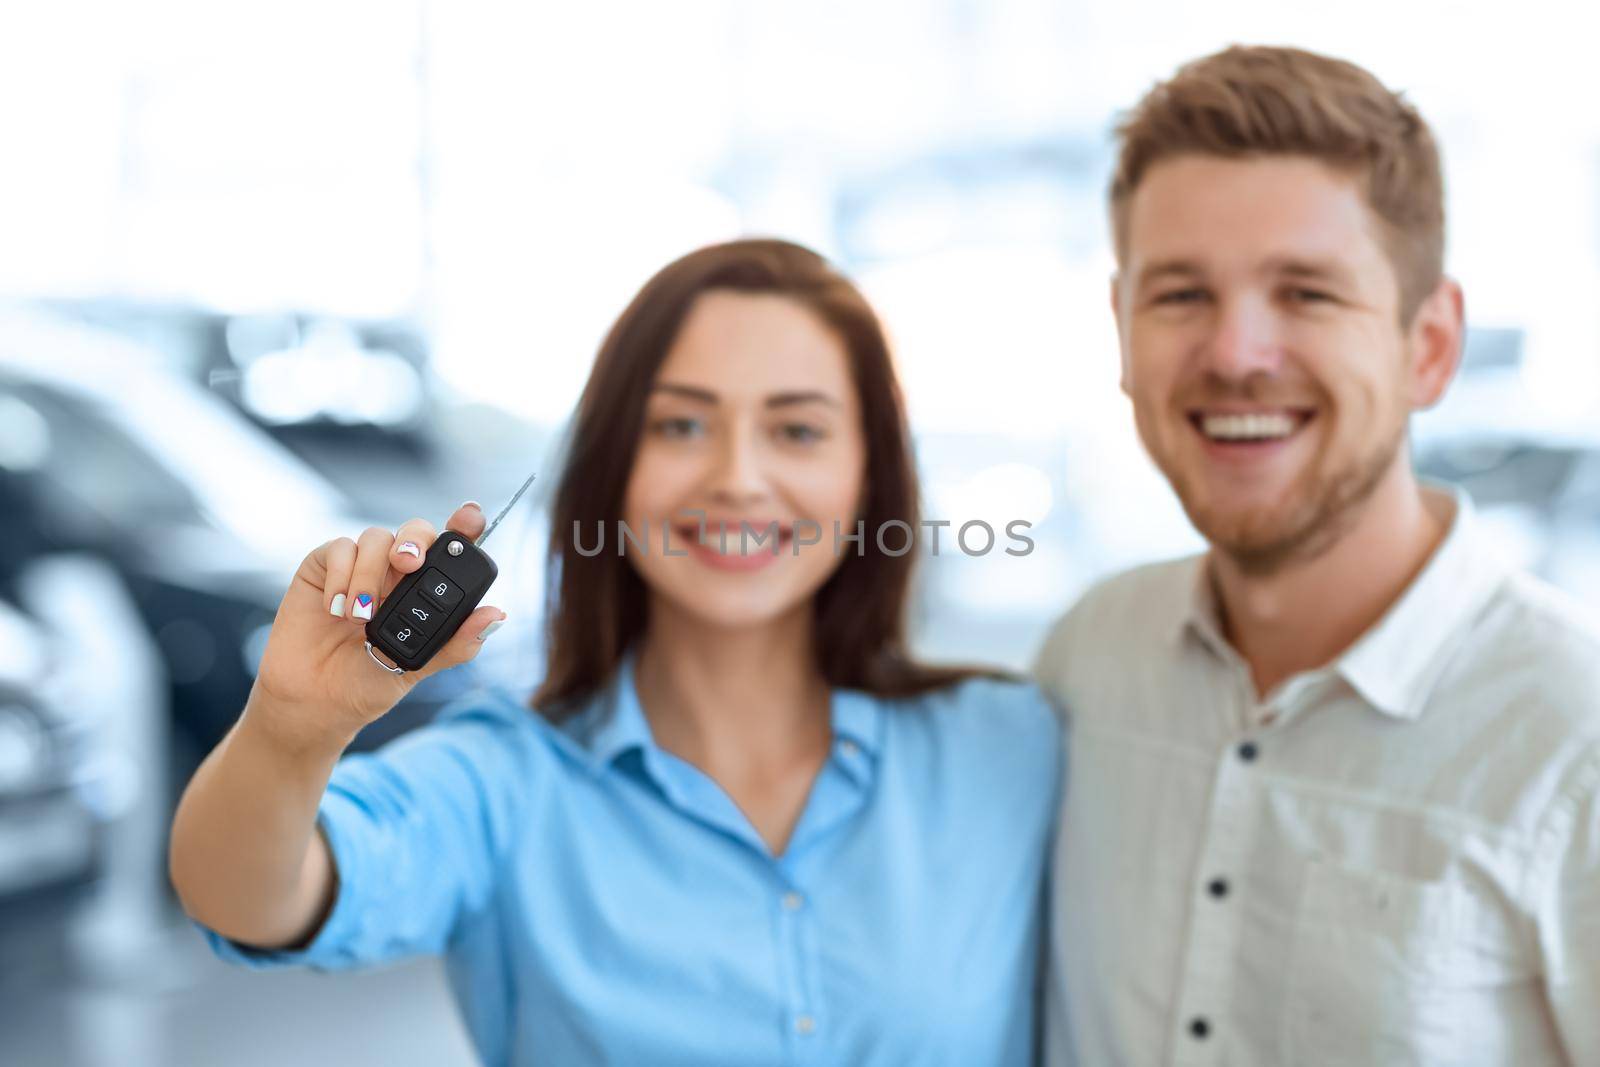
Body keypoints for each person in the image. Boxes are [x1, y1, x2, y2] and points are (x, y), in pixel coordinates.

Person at [169, 238, 1061, 1066]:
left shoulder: (1011, 746)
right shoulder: (505, 780)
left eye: (797, 430)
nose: (739, 477)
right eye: (680, 426)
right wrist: (289, 731)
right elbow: (246, 897)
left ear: (870, 477)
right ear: (612, 468)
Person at [1033, 45, 1600, 1065]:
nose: (1237, 351)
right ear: (1119, 335)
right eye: (1179, 295)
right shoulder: (1085, 659)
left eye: (1305, 293)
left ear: (1427, 346)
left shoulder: (1573, 733)